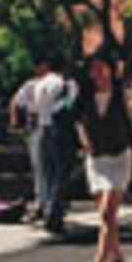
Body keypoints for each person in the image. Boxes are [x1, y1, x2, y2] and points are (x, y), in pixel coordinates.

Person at [75, 48, 132, 262]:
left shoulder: (121, 94)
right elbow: (77, 120)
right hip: (97, 158)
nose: (98, 73)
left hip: (119, 155)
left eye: (102, 67)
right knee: (107, 215)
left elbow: (131, 121)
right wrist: (84, 140)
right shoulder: (84, 97)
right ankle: (117, 255)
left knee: (106, 213)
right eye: (94, 68)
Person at [30, 57, 79, 234]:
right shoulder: (67, 83)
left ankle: (45, 208)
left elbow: (32, 108)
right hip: (62, 130)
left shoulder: (40, 84)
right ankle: (54, 215)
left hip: (42, 128)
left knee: (46, 173)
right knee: (61, 174)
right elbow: (73, 105)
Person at [9, 62, 43, 221]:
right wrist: (16, 123)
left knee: (42, 166)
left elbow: (15, 103)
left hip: (43, 123)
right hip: (36, 123)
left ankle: (44, 202)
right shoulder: (31, 85)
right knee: (39, 165)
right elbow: (16, 102)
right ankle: (41, 201)